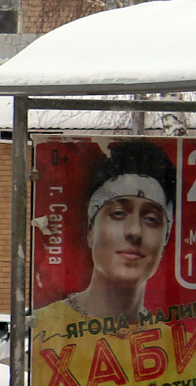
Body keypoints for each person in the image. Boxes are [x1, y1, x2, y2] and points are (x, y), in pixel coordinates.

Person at [34, 139, 175, 339]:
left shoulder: (174, 348)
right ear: (90, 231)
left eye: (151, 218)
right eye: (118, 213)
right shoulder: (45, 331)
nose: (134, 231)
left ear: (165, 238)